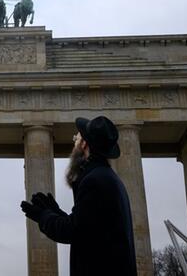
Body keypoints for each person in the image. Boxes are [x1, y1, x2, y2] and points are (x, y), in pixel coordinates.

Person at [20, 115, 136, 276]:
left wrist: (44, 216)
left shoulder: (95, 181)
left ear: (83, 144)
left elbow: (73, 232)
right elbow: (87, 229)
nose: (74, 142)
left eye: (76, 138)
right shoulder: (109, 179)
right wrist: (56, 213)